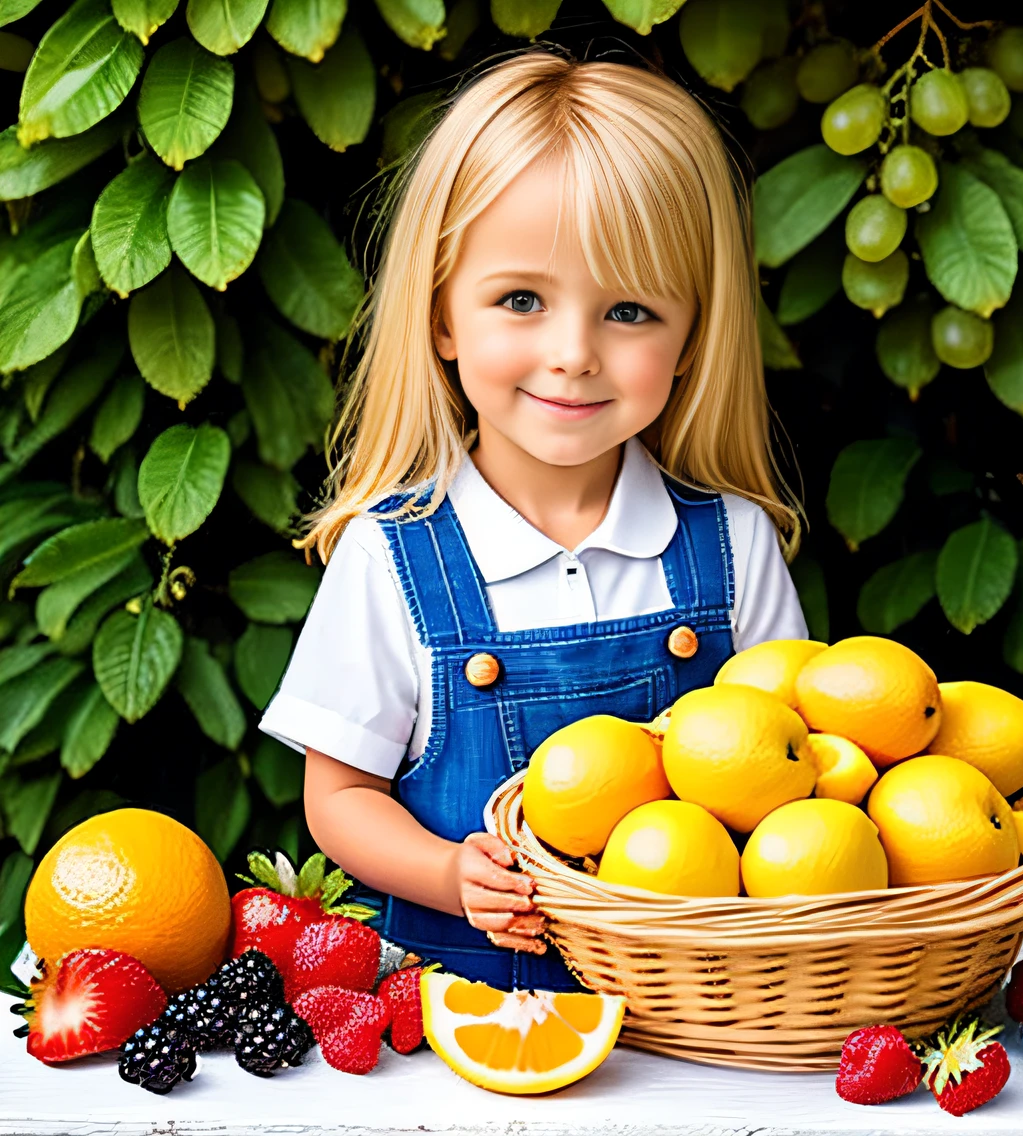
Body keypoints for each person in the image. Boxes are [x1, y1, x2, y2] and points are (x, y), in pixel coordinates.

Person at [261, 51, 807, 991]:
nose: (573, 355)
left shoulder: (732, 545)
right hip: (466, 1028)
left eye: (629, 311)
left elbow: (799, 778)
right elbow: (340, 797)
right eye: (521, 300)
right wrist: (444, 871)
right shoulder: (392, 556)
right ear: (441, 318)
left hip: (700, 1024)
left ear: (691, 339)